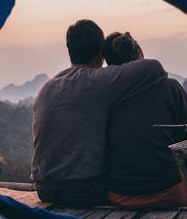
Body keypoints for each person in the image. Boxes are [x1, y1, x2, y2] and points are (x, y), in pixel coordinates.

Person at [31, 20, 168, 208]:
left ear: (69, 50)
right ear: (101, 52)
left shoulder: (46, 88)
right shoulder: (98, 81)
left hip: (43, 188)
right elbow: (154, 68)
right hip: (83, 191)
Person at [103, 32, 187, 209]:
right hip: (171, 193)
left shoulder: (103, 97)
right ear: (140, 53)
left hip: (120, 196)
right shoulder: (171, 88)